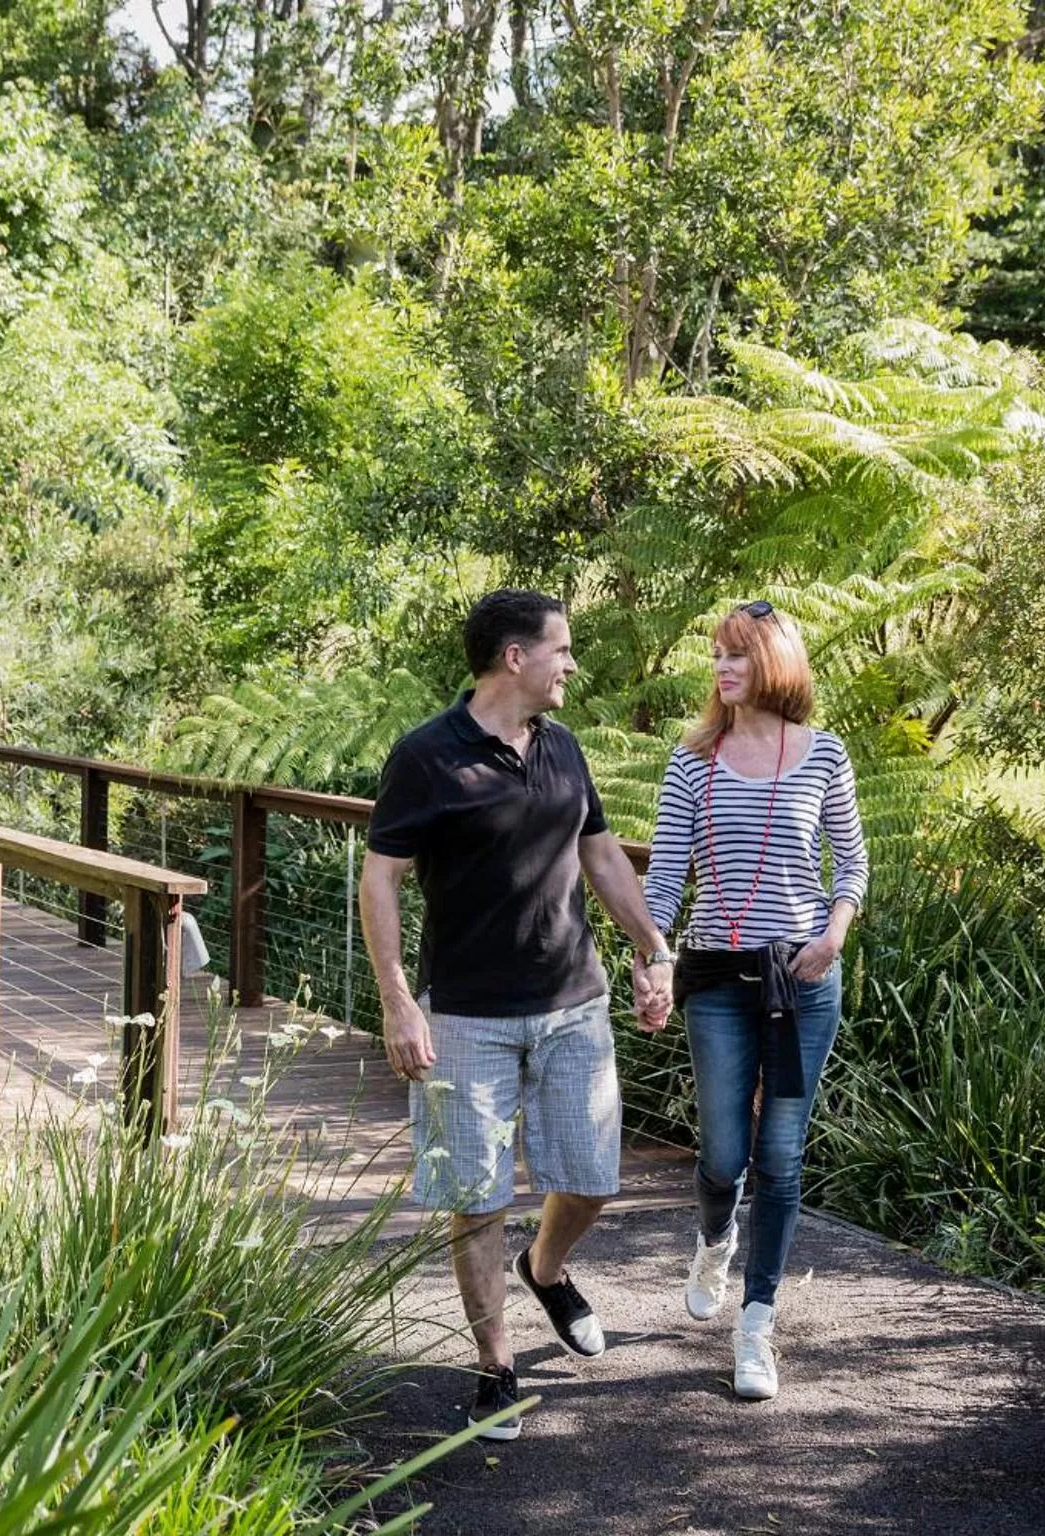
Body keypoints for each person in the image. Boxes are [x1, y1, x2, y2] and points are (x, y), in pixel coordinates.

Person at [360, 589, 675, 1442]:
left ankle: (546, 1267)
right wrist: (397, 1001)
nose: (571, 664)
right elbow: (380, 879)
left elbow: (600, 852)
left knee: (592, 1178)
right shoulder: (427, 756)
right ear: (515, 657)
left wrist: (653, 947)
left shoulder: (564, 747)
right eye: (562, 650)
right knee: (477, 1198)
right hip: (465, 1015)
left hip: (573, 1003)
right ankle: (493, 1368)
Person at [641, 599, 868, 1402]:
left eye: (736, 655)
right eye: (717, 656)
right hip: (715, 978)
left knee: (780, 1157)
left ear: (773, 662)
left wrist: (834, 935)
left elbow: (853, 868)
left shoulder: (825, 754)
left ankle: (756, 1326)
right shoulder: (693, 759)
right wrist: (655, 958)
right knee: (723, 1155)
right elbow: (665, 876)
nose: (722, 669)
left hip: (802, 981)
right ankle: (713, 1239)